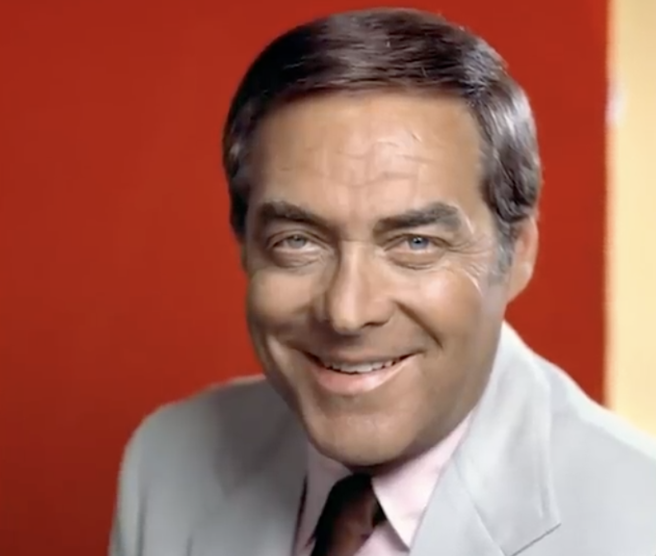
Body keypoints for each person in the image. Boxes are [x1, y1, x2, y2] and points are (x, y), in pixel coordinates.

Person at [109, 8, 656, 556]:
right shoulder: (165, 465)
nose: (347, 312)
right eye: (298, 240)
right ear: (245, 244)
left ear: (517, 254)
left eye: (416, 243)